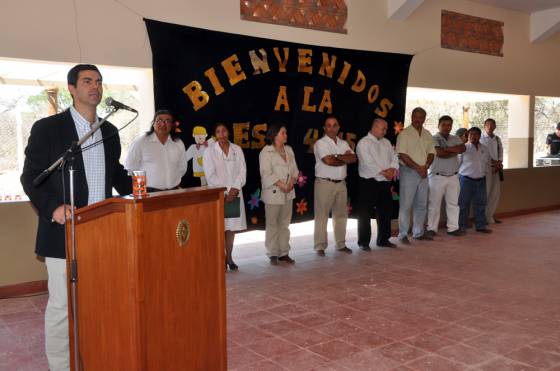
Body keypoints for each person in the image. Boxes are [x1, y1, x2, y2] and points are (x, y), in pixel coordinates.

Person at [20, 64, 131, 371]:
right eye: (87, 81)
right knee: (62, 308)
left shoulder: (108, 130)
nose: (94, 86)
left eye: (98, 82)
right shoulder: (49, 128)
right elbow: (31, 177)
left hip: (101, 231)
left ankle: (95, 358)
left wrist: (148, 189)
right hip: (63, 232)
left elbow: (116, 174)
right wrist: (53, 207)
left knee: (98, 303)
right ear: (71, 88)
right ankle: (60, 367)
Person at [203, 122, 247, 270]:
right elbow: (210, 176)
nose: (222, 134)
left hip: (236, 194)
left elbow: (242, 171)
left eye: (224, 130)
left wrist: (235, 188)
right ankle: (220, 258)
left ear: (228, 132)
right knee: (220, 228)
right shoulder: (209, 151)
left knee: (231, 229)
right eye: (218, 131)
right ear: (214, 134)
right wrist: (228, 190)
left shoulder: (237, 149)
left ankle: (230, 258)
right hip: (219, 194)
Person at [313, 115, 356, 256]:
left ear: (338, 127)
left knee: (341, 216)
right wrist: (343, 157)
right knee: (321, 216)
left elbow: (353, 158)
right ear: (324, 128)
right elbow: (328, 161)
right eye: (329, 125)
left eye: (334, 125)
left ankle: (341, 244)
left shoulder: (343, 143)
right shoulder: (320, 143)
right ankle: (320, 246)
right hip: (324, 183)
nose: (332, 128)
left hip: (341, 184)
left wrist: (336, 156)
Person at [259, 124, 299, 265]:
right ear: (275, 135)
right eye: (283, 132)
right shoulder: (266, 152)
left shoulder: (289, 150)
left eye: (285, 132)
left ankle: (284, 252)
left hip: (288, 193)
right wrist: (283, 185)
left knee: (284, 224)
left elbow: (295, 170)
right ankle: (273, 253)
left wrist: (291, 184)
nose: (286, 135)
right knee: (272, 224)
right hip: (273, 193)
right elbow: (266, 173)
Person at [356, 118, 399, 249]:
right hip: (368, 182)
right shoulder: (363, 143)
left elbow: (394, 156)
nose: (385, 131)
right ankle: (364, 242)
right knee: (365, 213)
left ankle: (383, 239)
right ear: (374, 127)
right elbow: (367, 163)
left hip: (384, 183)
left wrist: (392, 169)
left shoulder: (386, 142)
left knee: (385, 211)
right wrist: (385, 172)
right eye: (383, 129)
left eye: (386, 129)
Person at [395, 107, 435, 244]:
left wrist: (426, 166)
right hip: (409, 172)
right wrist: (418, 168)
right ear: (411, 117)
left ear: (424, 119)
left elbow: (431, 153)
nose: (418, 119)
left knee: (422, 204)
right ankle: (403, 234)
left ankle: (418, 232)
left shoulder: (427, 134)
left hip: (424, 172)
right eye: (415, 116)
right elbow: (402, 155)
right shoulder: (404, 134)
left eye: (421, 117)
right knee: (406, 205)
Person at [124, 110, 188, 191]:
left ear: (172, 125)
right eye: (159, 120)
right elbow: (130, 166)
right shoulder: (141, 141)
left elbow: (182, 167)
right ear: (153, 123)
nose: (163, 124)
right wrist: (140, 188)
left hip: (174, 191)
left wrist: (174, 180)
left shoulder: (178, 143)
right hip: (149, 192)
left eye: (167, 121)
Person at [426, 116, 466, 238]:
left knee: (453, 204)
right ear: (438, 125)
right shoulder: (433, 138)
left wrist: (447, 149)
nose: (446, 127)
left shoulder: (455, 138)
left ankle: (453, 228)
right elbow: (440, 154)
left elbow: (463, 148)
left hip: (453, 176)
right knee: (434, 205)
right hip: (437, 176)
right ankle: (432, 229)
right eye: (443, 124)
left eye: (449, 125)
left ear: (451, 126)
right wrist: (454, 151)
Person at [458, 127, 492, 233]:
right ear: (468, 136)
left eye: (476, 134)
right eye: (471, 134)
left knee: (481, 204)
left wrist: (485, 173)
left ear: (479, 135)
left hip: (481, 180)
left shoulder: (485, 149)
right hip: (466, 180)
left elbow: (487, 163)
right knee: (463, 204)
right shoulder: (464, 148)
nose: (473, 136)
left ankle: (480, 226)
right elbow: (458, 163)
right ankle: (462, 226)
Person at [480, 118, 503, 224]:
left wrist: (499, 163)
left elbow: (501, 152)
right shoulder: (480, 138)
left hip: (496, 170)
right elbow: (482, 154)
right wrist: (493, 164)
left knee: (495, 194)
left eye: (492, 124)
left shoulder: (497, 139)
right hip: (485, 170)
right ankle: (482, 218)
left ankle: (490, 217)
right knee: (485, 193)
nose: (490, 126)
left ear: (495, 126)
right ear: (484, 126)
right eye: (488, 124)